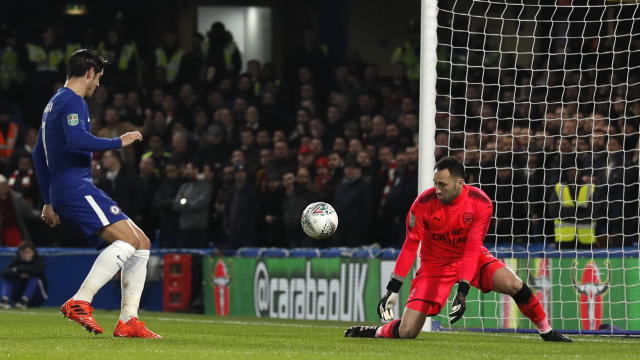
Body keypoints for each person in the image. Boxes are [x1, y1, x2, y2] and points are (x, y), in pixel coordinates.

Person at [344, 156, 571, 342]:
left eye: (442, 184)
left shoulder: (480, 203)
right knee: (407, 332)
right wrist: (393, 288)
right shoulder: (422, 204)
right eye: (435, 183)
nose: (437, 189)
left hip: (471, 259)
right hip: (435, 266)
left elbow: (473, 249)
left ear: (460, 183)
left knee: (514, 284)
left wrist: (462, 291)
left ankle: (546, 331)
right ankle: (373, 331)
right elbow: (410, 245)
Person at [31, 49, 160, 338]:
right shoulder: (74, 101)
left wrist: (48, 200)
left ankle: (129, 320)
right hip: (75, 187)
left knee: (141, 242)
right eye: (99, 77)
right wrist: (119, 141)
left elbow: (39, 154)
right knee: (128, 241)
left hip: (65, 189)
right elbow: (77, 141)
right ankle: (81, 300)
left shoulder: (53, 103)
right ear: (89, 72)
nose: (98, 85)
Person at [0, 243, 47, 309]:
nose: (26, 255)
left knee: (34, 278)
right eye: (23, 252)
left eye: (28, 252)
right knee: (9, 277)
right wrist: (19, 274)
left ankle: (24, 300)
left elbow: (38, 271)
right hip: (18, 297)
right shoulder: (17, 260)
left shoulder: (39, 260)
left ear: (33, 252)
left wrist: (18, 269)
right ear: (20, 253)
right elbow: (4, 272)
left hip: (36, 298)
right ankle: (4, 300)